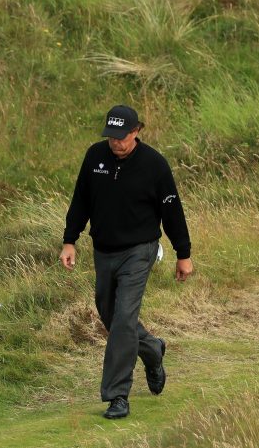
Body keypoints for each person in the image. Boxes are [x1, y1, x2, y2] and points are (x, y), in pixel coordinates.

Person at [60, 104, 193, 419]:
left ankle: (117, 395)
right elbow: (81, 200)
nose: (115, 142)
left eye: (122, 137)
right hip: (104, 251)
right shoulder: (95, 157)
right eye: (111, 136)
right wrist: (70, 240)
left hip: (139, 250)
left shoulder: (154, 165)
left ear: (136, 132)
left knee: (122, 319)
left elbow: (172, 212)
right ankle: (152, 350)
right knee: (112, 317)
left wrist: (183, 253)